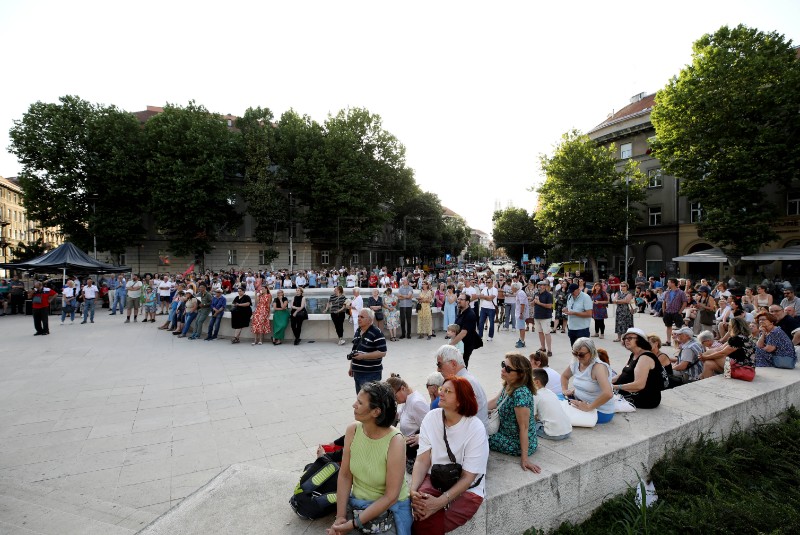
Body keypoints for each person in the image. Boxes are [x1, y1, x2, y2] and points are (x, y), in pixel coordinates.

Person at [326, 381, 411, 535]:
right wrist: (340, 517)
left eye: (359, 402)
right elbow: (345, 475)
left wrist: (354, 524)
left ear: (376, 412)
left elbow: (391, 497)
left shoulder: (395, 441)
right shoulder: (353, 430)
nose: (354, 405)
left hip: (389, 509)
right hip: (357, 504)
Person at [409, 376, 489, 535]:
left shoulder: (475, 428)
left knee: (426, 523)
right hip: (436, 478)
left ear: (460, 400)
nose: (441, 394)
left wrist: (438, 503)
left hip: (468, 488)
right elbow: (422, 460)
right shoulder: (432, 417)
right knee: (419, 511)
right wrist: (413, 490)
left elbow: (468, 477)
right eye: (441, 389)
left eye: (448, 391)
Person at [488, 354, 541, 472]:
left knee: (479, 437)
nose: (502, 369)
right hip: (505, 432)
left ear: (520, 374)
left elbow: (524, 428)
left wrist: (524, 459)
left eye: (507, 369)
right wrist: (473, 409)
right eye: (503, 365)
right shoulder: (509, 383)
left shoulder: (520, 394)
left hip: (514, 441)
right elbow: (496, 401)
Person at [560, 337, 615, 423]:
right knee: (552, 403)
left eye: (581, 354)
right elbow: (564, 376)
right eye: (575, 353)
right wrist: (564, 389)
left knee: (559, 416)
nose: (578, 357)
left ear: (592, 352)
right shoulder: (576, 363)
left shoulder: (598, 367)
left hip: (598, 410)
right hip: (578, 401)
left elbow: (608, 393)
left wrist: (588, 407)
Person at [435, 344, 488, 431]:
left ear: (453, 364)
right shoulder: (465, 379)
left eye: (439, 365)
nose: (438, 369)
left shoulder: (465, 383)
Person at [612, 328, 668, 408]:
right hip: (629, 393)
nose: (626, 340)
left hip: (644, 398)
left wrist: (614, 387)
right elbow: (624, 373)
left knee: (603, 402)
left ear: (640, 340)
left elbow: (639, 385)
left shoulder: (645, 357)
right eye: (625, 338)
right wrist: (607, 382)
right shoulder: (634, 354)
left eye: (630, 338)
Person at [387, 373, 430, 473]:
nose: (394, 400)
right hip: (406, 445)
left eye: (394, 396)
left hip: (415, 450)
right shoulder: (407, 398)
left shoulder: (416, 403)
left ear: (402, 388)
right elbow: (400, 415)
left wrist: (420, 436)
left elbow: (431, 426)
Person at [348, 309, 388, 393]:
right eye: (358, 316)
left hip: (370, 374)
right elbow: (355, 349)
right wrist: (351, 366)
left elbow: (382, 352)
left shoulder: (376, 332)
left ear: (370, 320)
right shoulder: (358, 331)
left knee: (370, 402)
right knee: (361, 400)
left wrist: (363, 356)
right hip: (357, 372)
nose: (359, 318)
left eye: (362, 317)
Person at [531, 368, 571, 441]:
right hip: (568, 431)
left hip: (554, 434)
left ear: (536, 382)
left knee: (531, 426)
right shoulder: (551, 392)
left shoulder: (535, 395)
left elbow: (531, 417)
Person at [450, 293, 480, 368]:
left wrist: (450, 345)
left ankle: (463, 379)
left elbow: (463, 333)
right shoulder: (461, 311)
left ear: (467, 302)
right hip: (459, 343)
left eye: (461, 299)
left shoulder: (470, 314)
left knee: (461, 367)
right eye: (458, 299)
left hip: (465, 345)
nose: (459, 301)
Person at [662, 278, 689, 345]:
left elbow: (685, 302)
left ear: (673, 283)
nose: (667, 283)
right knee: (668, 326)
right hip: (668, 312)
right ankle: (668, 341)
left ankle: (681, 342)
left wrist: (680, 312)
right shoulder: (667, 292)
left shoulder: (681, 292)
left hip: (676, 312)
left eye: (669, 282)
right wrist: (664, 311)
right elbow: (664, 302)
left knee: (679, 327)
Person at [532, 281, 553, 356]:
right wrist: (534, 301)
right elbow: (532, 304)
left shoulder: (548, 295)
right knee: (540, 332)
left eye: (541, 285)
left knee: (547, 332)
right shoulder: (536, 294)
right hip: (537, 316)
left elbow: (549, 306)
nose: (539, 286)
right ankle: (543, 347)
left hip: (545, 316)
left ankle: (549, 350)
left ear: (545, 286)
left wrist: (539, 303)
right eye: (538, 285)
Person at [477, 277, 498, 342]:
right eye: (486, 282)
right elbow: (480, 296)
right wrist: (486, 297)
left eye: (489, 282)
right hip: (483, 308)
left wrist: (484, 297)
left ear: (492, 283)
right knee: (481, 322)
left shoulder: (494, 289)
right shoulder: (484, 289)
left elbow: (490, 298)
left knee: (491, 323)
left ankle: (490, 336)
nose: (487, 283)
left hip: (491, 308)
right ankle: (480, 336)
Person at [514, 282, 529, 349]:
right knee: (520, 327)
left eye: (512, 288)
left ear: (515, 288)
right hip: (519, 313)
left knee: (522, 327)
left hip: (521, 313)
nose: (511, 289)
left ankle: (522, 341)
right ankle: (521, 339)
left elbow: (522, 304)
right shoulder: (519, 293)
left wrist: (521, 313)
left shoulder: (520, 293)